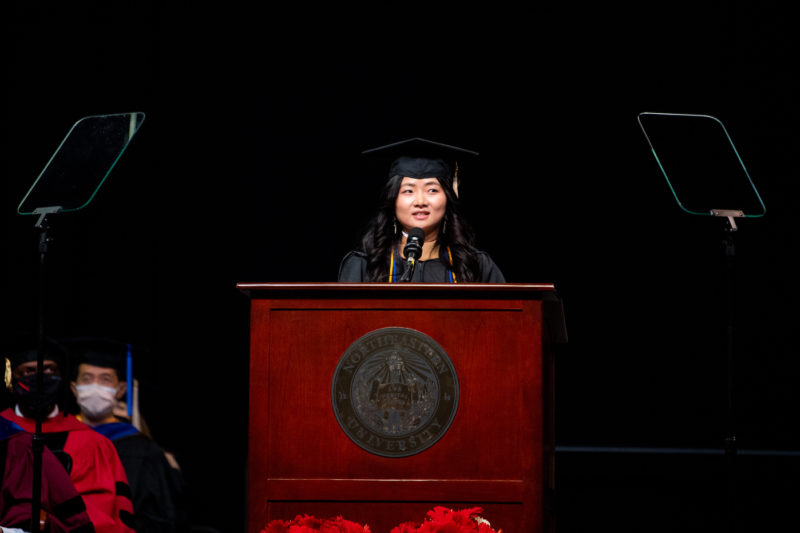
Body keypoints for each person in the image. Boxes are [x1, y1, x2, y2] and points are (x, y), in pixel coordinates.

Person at [0, 336, 135, 533]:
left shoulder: (93, 443)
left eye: (49, 370)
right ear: (13, 378)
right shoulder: (5, 435)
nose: (40, 378)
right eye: (29, 371)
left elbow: (106, 516)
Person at [338, 137, 506, 283]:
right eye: (408, 191)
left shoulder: (476, 265)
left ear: (448, 197)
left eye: (432, 190)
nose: (420, 201)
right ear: (393, 199)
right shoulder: (364, 264)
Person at [64, 338, 186, 533]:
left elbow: (160, 519)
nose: (95, 386)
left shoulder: (142, 450)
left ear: (120, 389)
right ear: (73, 388)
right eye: (86, 378)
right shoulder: (58, 438)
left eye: (105, 379)